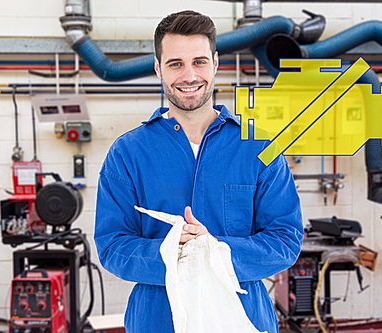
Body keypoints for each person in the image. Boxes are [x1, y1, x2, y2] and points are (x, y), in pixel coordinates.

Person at [94, 10, 303, 333]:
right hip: (158, 320)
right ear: (157, 67)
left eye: (199, 62)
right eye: (175, 63)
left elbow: (285, 241)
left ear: (216, 63)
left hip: (244, 317)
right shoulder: (127, 153)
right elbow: (112, 246)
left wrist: (213, 250)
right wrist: (173, 252)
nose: (189, 76)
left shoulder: (259, 147)